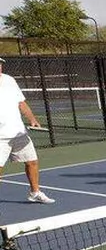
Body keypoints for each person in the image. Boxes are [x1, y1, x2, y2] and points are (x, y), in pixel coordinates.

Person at [0, 58, 55, 204]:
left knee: (32, 162)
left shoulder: (9, 80)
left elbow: (21, 102)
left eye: (0, 64)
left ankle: (35, 192)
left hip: (19, 132)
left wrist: (32, 119)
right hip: (0, 136)